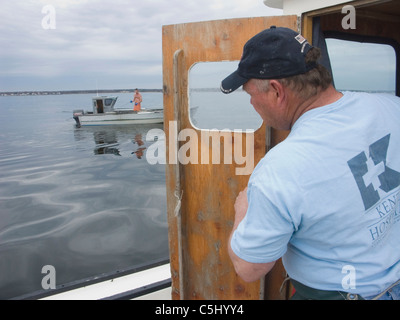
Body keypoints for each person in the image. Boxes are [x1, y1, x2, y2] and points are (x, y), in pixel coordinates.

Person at [221, 26, 400, 300]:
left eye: (250, 94)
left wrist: (242, 211)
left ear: (276, 91)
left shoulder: (280, 169)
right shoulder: (391, 106)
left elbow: (249, 268)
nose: (252, 104)